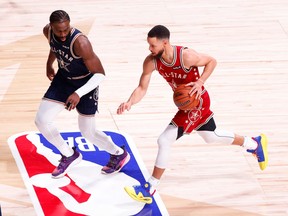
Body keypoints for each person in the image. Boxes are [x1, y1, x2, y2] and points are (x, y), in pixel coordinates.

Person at [117, 25, 268, 204]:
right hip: (186, 105)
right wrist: (129, 102)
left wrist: (200, 81)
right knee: (211, 136)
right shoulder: (151, 61)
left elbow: (212, 61)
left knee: (164, 140)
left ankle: (149, 188)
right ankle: (253, 143)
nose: (150, 49)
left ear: (165, 43)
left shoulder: (186, 56)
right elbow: (142, 87)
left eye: (153, 46)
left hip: (197, 102)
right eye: (149, 46)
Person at [35, 10, 130, 179]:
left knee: (88, 132)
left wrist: (78, 93)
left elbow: (100, 74)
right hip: (63, 79)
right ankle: (69, 154)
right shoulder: (47, 31)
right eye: (59, 31)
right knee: (42, 120)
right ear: (51, 27)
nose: (63, 34)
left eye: (66, 30)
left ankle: (118, 153)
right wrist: (49, 64)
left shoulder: (81, 42)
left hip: (86, 83)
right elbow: (54, 47)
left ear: (69, 25)